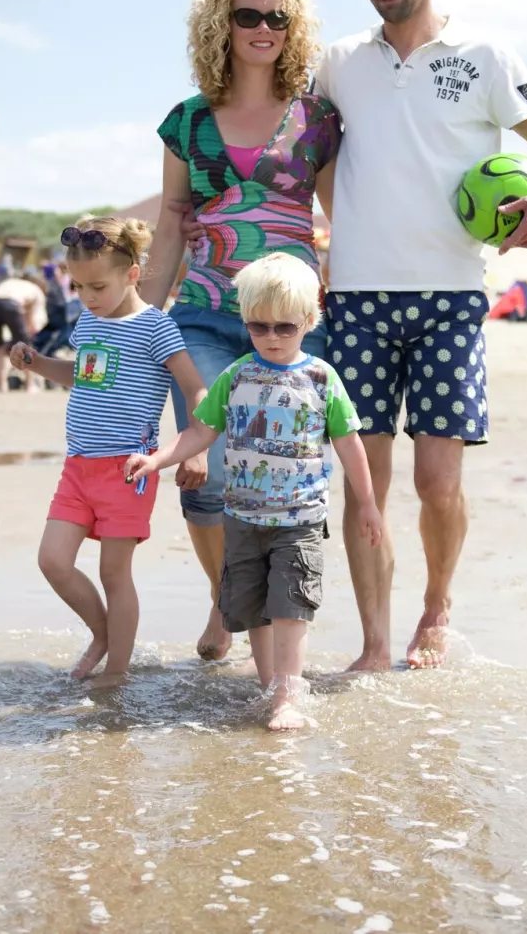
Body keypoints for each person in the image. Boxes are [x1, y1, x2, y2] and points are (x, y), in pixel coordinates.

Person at [306, 0, 527, 671]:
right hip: (356, 296)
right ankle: (373, 643)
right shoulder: (338, 62)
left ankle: (436, 608)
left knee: (436, 482)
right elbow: (302, 147)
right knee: (366, 487)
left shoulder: (486, 53)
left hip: (451, 298)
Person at [141, 0, 342, 663]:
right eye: (248, 15)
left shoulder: (317, 120)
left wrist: (337, 302)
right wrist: (138, 322)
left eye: (278, 17)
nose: (264, 29)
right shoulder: (187, 122)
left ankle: (248, 613)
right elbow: (170, 224)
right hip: (200, 313)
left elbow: (338, 216)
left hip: (284, 326)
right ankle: (229, 592)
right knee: (209, 469)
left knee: (275, 479)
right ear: (221, 25)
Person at [127, 254, 382, 729]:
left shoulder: (321, 379)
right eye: (258, 327)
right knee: (256, 612)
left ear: (309, 320)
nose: (270, 338)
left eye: (284, 328)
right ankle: (271, 690)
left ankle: (288, 697)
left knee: (290, 609)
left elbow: (350, 444)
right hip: (242, 519)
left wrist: (366, 503)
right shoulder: (237, 376)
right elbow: (200, 432)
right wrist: (159, 459)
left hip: (299, 520)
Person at [6, 217, 207, 689]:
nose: (87, 296)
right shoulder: (89, 320)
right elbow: (81, 375)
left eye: (98, 285)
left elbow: (195, 390)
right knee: (53, 561)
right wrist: (35, 363)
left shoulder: (156, 328)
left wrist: (193, 446)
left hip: (128, 468)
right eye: (78, 286)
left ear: (132, 275)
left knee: (114, 573)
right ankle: (102, 635)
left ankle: (117, 670)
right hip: (78, 467)